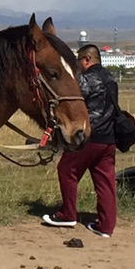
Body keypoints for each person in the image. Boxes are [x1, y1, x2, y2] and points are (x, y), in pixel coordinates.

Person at [42, 42, 118, 238]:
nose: (78, 65)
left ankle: (67, 214)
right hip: (109, 139)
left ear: (87, 60)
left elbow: (71, 102)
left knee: (67, 170)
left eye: (79, 61)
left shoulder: (87, 80)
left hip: (88, 136)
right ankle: (106, 226)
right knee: (105, 182)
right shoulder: (111, 78)